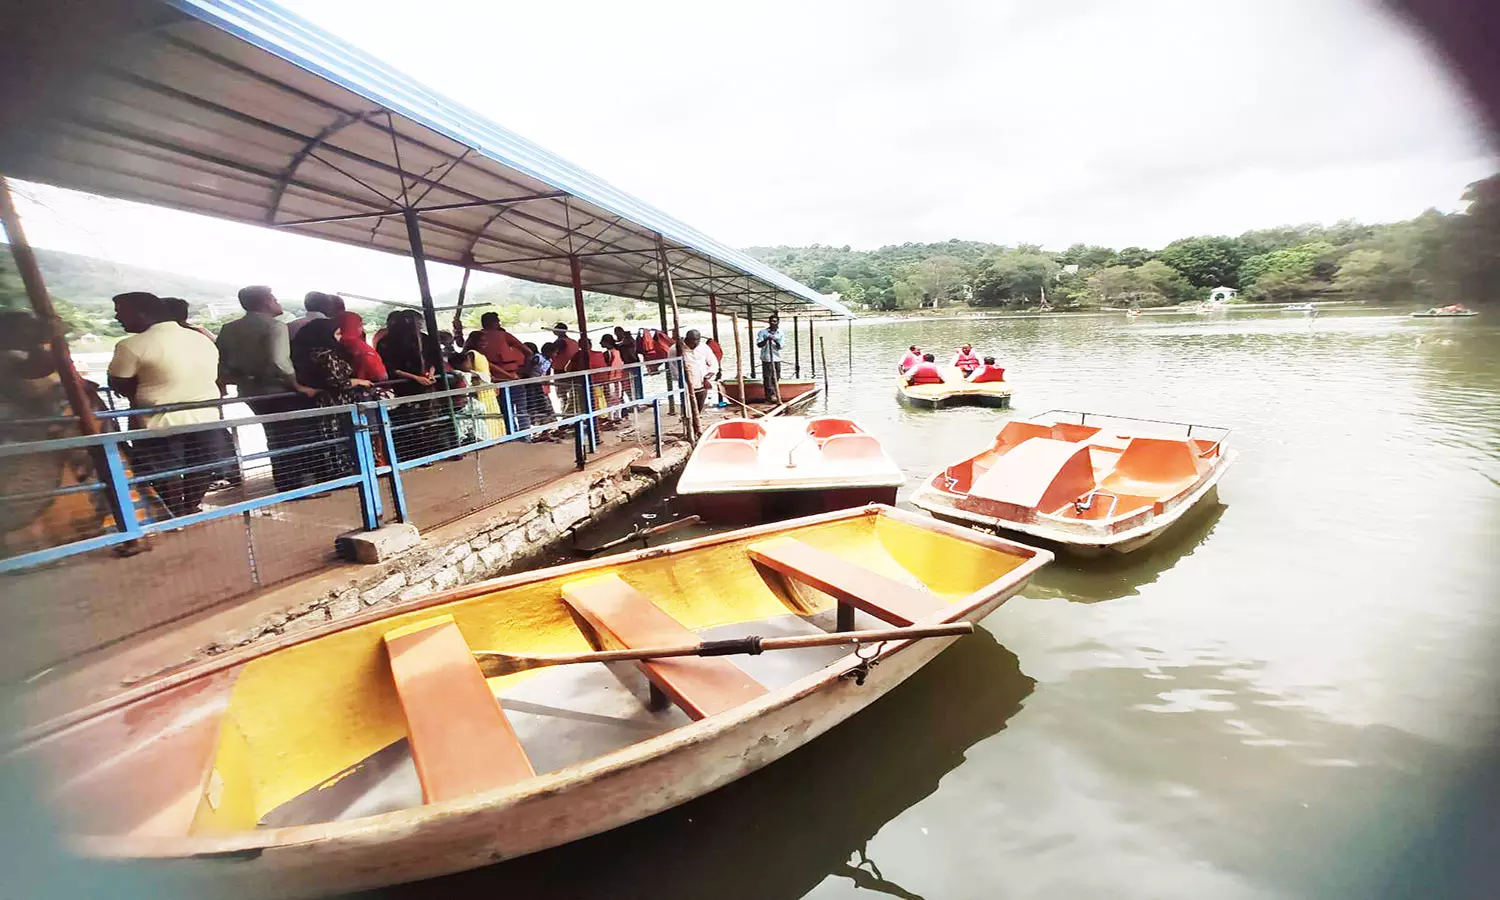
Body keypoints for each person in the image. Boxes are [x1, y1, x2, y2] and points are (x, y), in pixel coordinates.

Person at [107, 291, 228, 517]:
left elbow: (120, 384)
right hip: (206, 415)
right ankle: (189, 508)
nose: (117, 318)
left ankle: (173, 514)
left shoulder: (132, 345)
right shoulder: (201, 338)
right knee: (202, 466)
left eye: (120, 311)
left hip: (159, 420)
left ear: (141, 313)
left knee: (164, 470)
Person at [217, 285, 319, 493]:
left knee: (274, 436)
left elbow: (222, 362)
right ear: (265, 302)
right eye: (274, 299)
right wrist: (297, 385)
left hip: (249, 392)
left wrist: (243, 377)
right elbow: (279, 361)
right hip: (278, 390)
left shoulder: (229, 328)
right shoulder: (275, 327)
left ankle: (286, 482)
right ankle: (293, 486)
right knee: (291, 438)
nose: (277, 302)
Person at [290, 318, 384, 480]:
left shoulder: (304, 354)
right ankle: (345, 473)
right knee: (341, 437)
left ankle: (336, 473)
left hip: (321, 402)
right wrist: (359, 381)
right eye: (338, 334)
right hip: (335, 401)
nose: (340, 338)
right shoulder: (326, 355)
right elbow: (338, 381)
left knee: (330, 438)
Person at [377, 310, 450, 461]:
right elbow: (391, 367)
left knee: (431, 420)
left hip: (426, 386)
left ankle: (432, 452)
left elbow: (433, 359)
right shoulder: (389, 342)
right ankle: (415, 456)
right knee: (409, 422)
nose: (419, 326)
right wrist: (415, 378)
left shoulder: (425, 339)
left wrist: (430, 372)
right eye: (417, 323)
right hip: (404, 388)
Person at [461, 312, 529, 379]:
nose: (499, 324)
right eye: (497, 321)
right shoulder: (503, 335)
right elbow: (528, 352)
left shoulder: (476, 337)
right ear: (492, 323)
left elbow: (463, 352)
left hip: (501, 375)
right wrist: (523, 370)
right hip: (504, 375)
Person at [335, 311, 388, 382]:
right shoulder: (362, 348)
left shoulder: (331, 344)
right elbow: (380, 375)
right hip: (363, 388)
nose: (362, 329)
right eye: (360, 326)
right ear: (353, 327)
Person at [682, 328, 720, 411]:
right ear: (686, 340)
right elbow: (674, 368)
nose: (695, 343)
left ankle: (696, 422)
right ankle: (688, 422)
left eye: (697, 340)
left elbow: (713, 363)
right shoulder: (677, 349)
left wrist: (708, 377)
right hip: (686, 386)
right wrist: (684, 381)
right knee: (688, 409)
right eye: (692, 341)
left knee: (698, 408)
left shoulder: (704, 347)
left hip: (702, 384)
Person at [755, 312, 784, 403]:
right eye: (771, 321)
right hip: (767, 358)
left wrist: (775, 340)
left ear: (778, 322)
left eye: (775, 321)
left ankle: (775, 393)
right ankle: (769, 396)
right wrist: (767, 339)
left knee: (776, 376)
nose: (773, 323)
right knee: (767, 377)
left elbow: (780, 346)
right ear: (769, 322)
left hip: (776, 358)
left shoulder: (780, 333)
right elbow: (759, 345)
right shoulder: (763, 332)